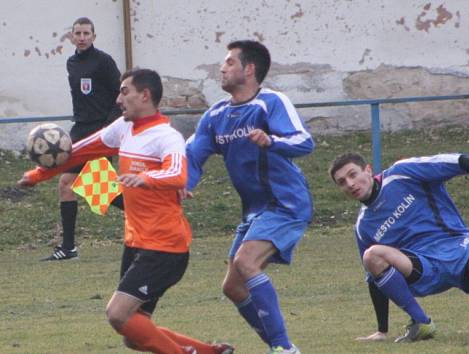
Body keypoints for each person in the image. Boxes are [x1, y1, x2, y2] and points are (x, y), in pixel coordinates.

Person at [18, 68, 233, 354]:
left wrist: (145, 178)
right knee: (133, 333)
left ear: (144, 95)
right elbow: (81, 151)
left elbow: (177, 175)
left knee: (118, 314)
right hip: (136, 243)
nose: (119, 99)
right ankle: (209, 352)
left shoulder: (166, 137)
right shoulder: (123, 128)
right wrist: (36, 175)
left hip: (165, 246)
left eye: (124, 91)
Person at [184, 40, 314, 354]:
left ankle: (283, 348)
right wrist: (185, 183)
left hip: (286, 203)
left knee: (246, 262)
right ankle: (281, 346)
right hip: (254, 211)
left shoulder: (270, 102)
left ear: (249, 69)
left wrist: (272, 142)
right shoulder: (216, 115)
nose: (222, 67)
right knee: (232, 286)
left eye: (229, 62)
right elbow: (192, 155)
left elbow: (305, 141)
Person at [329, 152, 469, 342]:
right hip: (422, 269)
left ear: (367, 170)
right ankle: (422, 323)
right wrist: (382, 330)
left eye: (353, 174)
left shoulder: (401, 173)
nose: (350, 183)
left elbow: (440, 162)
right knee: (371, 255)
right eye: (342, 182)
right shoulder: (363, 226)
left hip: (457, 247)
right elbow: (374, 279)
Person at [45, 17, 124, 261]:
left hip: (100, 131)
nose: (81, 37)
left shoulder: (104, 61)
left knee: (96, 190)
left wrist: (106, 129)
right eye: (77, 33)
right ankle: (68, 248)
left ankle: (150, 213)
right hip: (80, 129)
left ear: (93, 36)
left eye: (86, 33)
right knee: (75, 185)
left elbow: (119, 96)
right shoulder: (71, 63)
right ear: (71, 37)